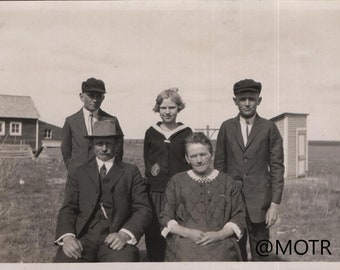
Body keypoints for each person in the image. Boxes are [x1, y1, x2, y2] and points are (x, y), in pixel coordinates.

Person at [54, 120, 152, 262]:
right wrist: (68, 238)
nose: (104, 148)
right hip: (84, 238)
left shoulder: (130, 172)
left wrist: (124, 235)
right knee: (63, 261)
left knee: (123, 263)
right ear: (92, 145)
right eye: (100, 143)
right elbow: (68, 208)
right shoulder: (79, 172)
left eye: (109, 143)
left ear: (116, 144)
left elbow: (143, 209)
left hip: (115, 237)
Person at [214, 79, 284, 261]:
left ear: (258, 100)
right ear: (234, 100)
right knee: (234, 252)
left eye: (251, 99)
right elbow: (219, 166)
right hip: (232, 201)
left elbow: (277, 167)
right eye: (242, 98)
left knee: (261, 252)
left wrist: (274, 205)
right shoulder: (226, 127)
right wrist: (220, 199)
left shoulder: (269, 128)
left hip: (260, 203)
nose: (247, 103)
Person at [159, 132, 245, 261]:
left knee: (221, 257)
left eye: (203, 154)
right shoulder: (176, 181)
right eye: (193, 156)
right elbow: (166, 216)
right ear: (187, 158)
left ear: (212, 155)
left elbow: (239, 216)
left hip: (220, 240)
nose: (199, 160)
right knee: (185, 256)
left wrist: (219, 235)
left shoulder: (228, 182)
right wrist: (188, 233)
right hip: (185, 240)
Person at [143, 88, 193, 261]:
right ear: (158, 109)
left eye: (172, 107)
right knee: (155, 233)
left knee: (177, 233)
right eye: (163, 108)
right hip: (155, 192)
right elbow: (147, 161)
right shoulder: (151, 132)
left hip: (179, 192)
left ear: (179, 108)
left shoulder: (186, 132)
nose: (167, 111)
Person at [61, 77, 124, 174]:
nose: (94, 100)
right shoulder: (71, 121)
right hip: (78, 176)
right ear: (82, 96)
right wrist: (73, 172)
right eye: (91, 95)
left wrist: (110, 172)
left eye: (99, 96)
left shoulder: (112, 121)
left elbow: (118, 150)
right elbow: (66, 152)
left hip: (103, 176)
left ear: (103, 98)